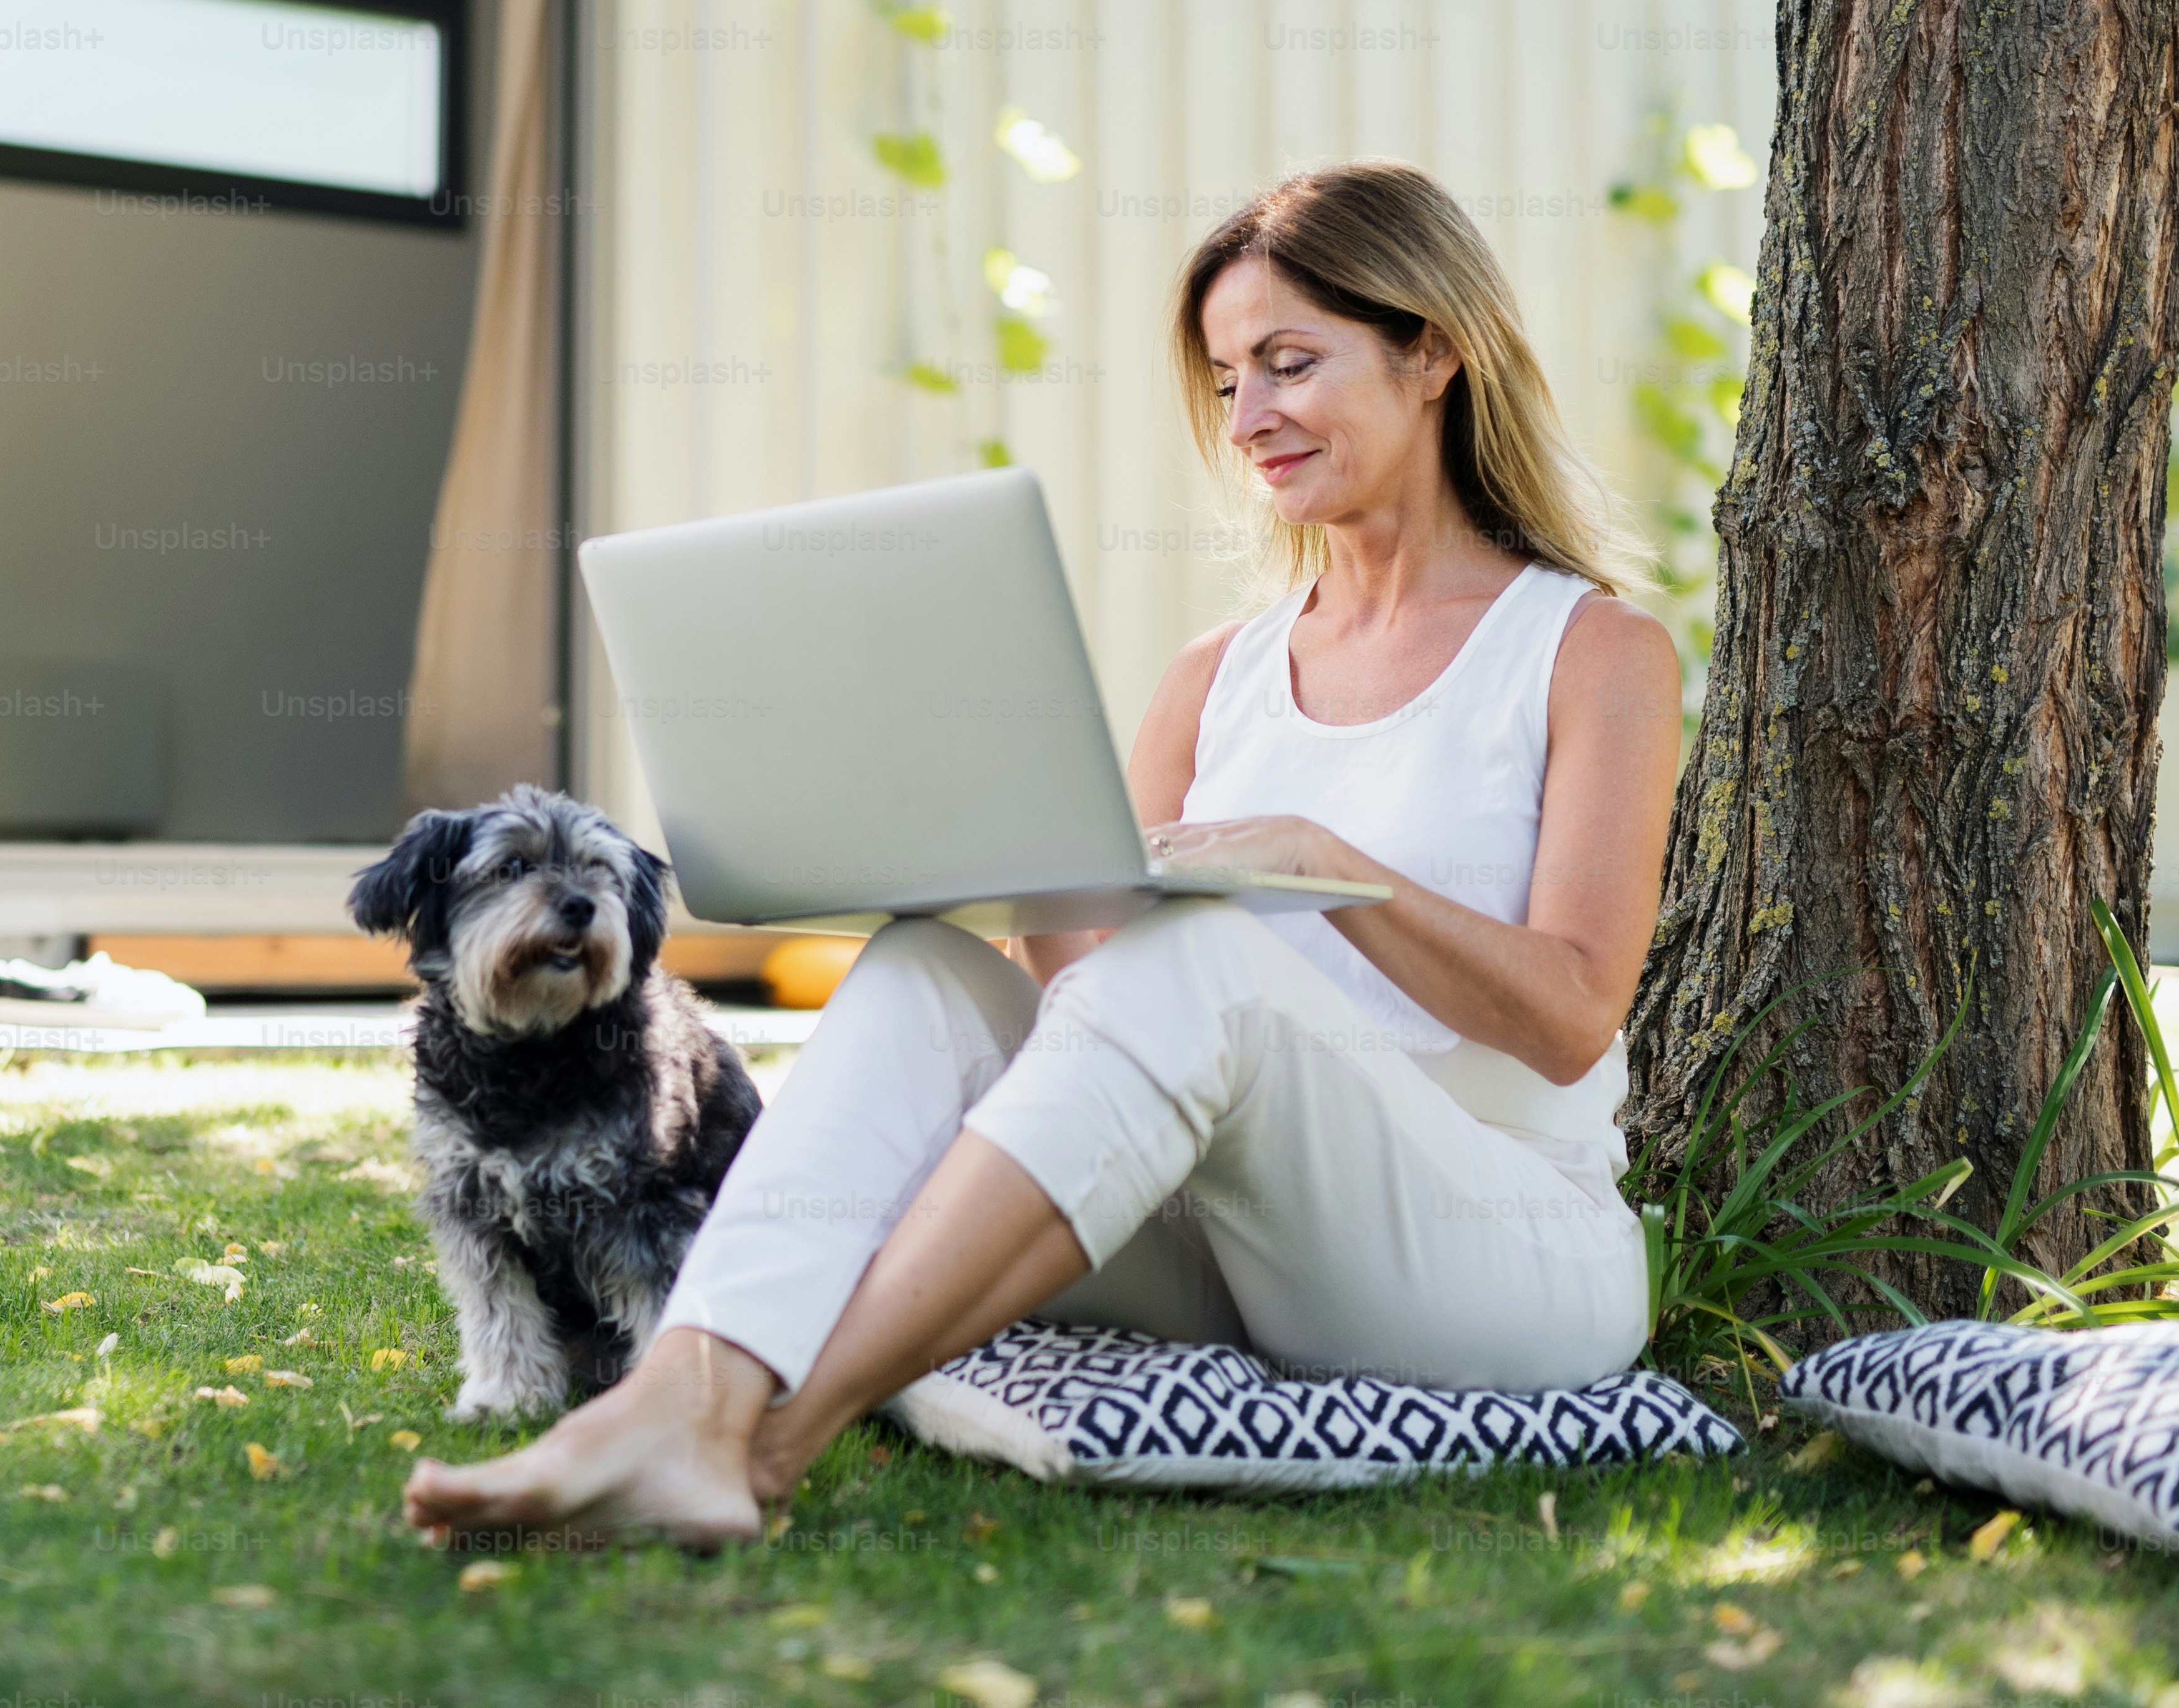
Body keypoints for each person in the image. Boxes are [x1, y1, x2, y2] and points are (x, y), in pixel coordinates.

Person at [403, 160, 1683, 1547]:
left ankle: (762, 1438)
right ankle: (686, 1387)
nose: (1247, 417)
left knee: (1209, 954)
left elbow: (1568, 1017)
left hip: (1496, 1251)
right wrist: (992, 858)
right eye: (1224, 378)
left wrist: (1318, 862)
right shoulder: (1220, 673)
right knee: (922, 973)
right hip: (1228, 1245)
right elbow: (1095, 1001)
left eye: (1288, 363)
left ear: (1432, 349)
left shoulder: (1590, 651)